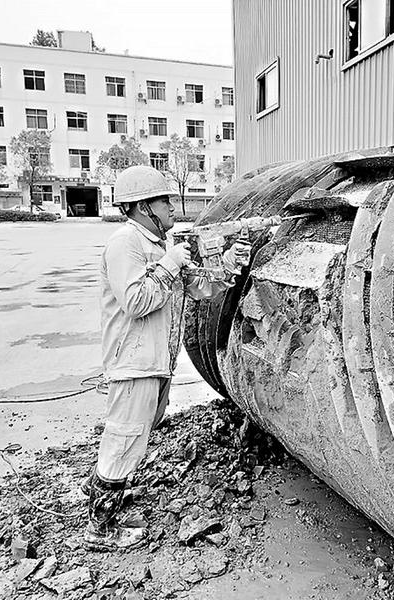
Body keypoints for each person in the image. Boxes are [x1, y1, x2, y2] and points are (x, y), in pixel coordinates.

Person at [84, 165, 250, 550]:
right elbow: (136, 301)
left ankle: (105, 502)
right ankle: (101, 528)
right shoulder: (126, 243)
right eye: (165, 201)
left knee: (135, 435)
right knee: (124, 440)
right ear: (144, 207)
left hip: (155, 362)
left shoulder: (159, 246)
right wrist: (171, 262)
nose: (172, 208)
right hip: (133, 364)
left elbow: (199, 289)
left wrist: (230, 264)